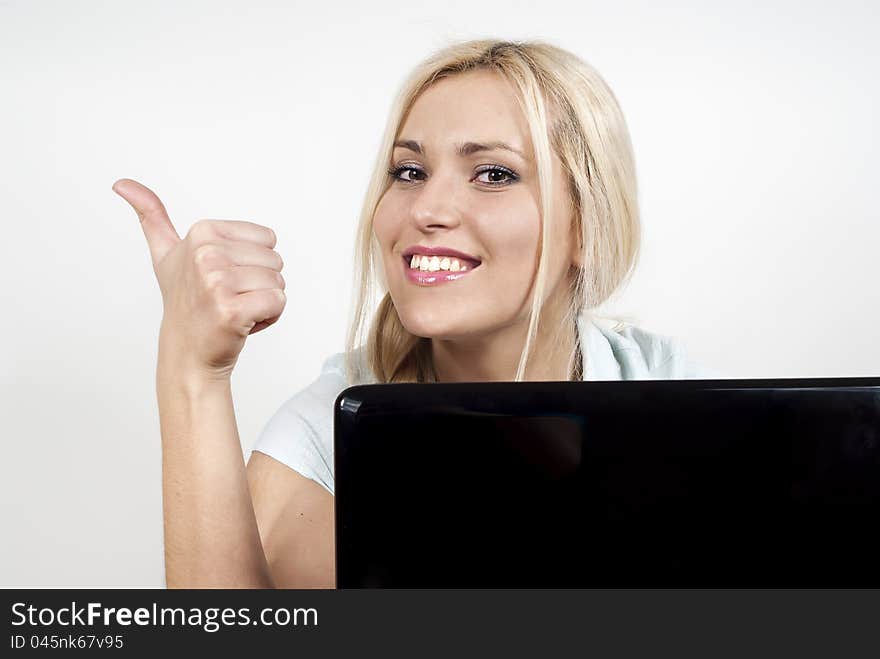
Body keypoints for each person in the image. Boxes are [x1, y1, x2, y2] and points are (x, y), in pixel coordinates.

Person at [113, 39, 715, 589]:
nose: (427, 208)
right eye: (409, 171)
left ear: (587, 223)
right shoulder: (326, 431)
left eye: (494, 174)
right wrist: (192, 369)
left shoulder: (675, 397)